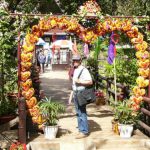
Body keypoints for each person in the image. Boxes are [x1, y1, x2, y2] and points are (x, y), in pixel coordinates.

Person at [72, 54, 93, 139]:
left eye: (76, 60)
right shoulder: (76, 69)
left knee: (82, 112)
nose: (75, 62)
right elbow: (74, 83)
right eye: (74, 60)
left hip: (81, 93)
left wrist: (80, 82)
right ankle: (81, 129)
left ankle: (84, 131)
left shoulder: (84, 70)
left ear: (80, 61)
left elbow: (90, 82)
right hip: (76, 92)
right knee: (78, 112)